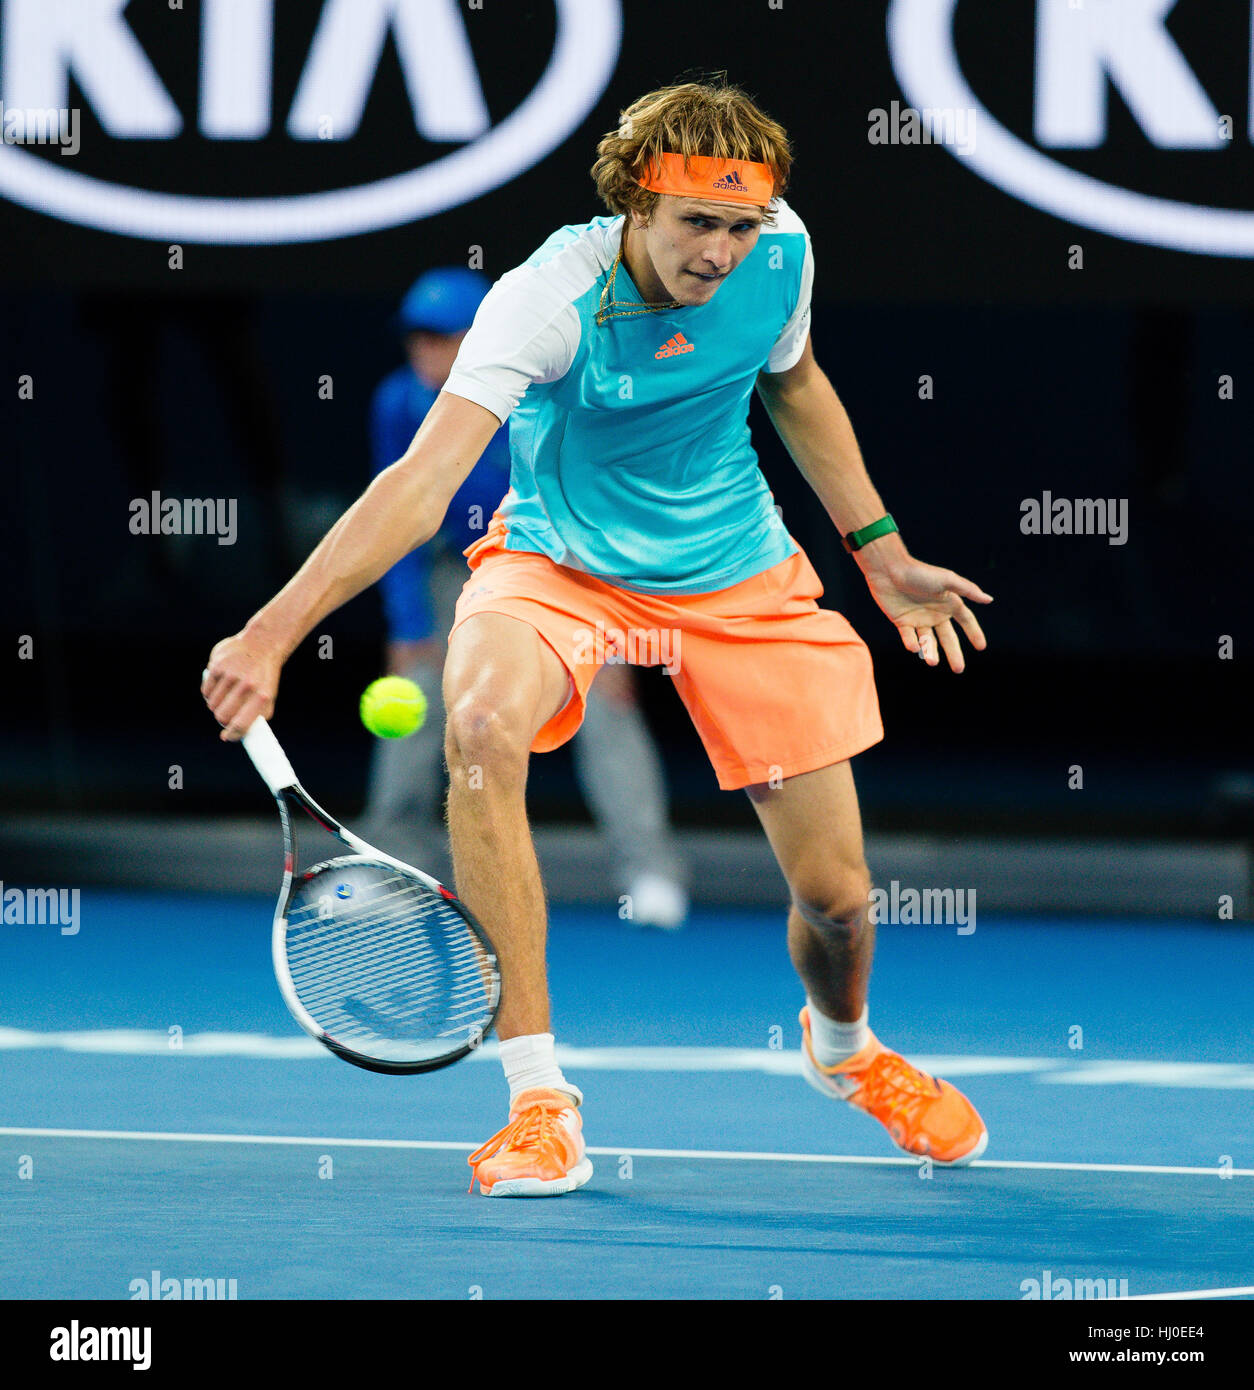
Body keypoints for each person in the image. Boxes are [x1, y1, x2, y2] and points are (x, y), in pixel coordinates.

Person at [203, 78, 994, 1199]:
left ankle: (845, 1048)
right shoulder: (544, 298)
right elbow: (421, 486)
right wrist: (272, 632)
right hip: (560, 565)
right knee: (477, 725)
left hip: (735, 570)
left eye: (739, 225)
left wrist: (879, 548)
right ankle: (538, 1100)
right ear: (634, 202)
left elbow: (797, 382)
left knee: (839, 898)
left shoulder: (783, 253)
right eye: (696, 225)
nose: (720, 253)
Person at [362, 268, 688, 928]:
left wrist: (616, 629)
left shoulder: (551, 393)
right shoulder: (397, 402)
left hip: (569, 564)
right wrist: (409, 623)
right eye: (417, 338)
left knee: (606, 707)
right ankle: (393, 867)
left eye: (443, 338)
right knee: (419, 697)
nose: (427, 353)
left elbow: (605, 508)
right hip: (459, 569)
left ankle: (649, 870)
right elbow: (393, 513)